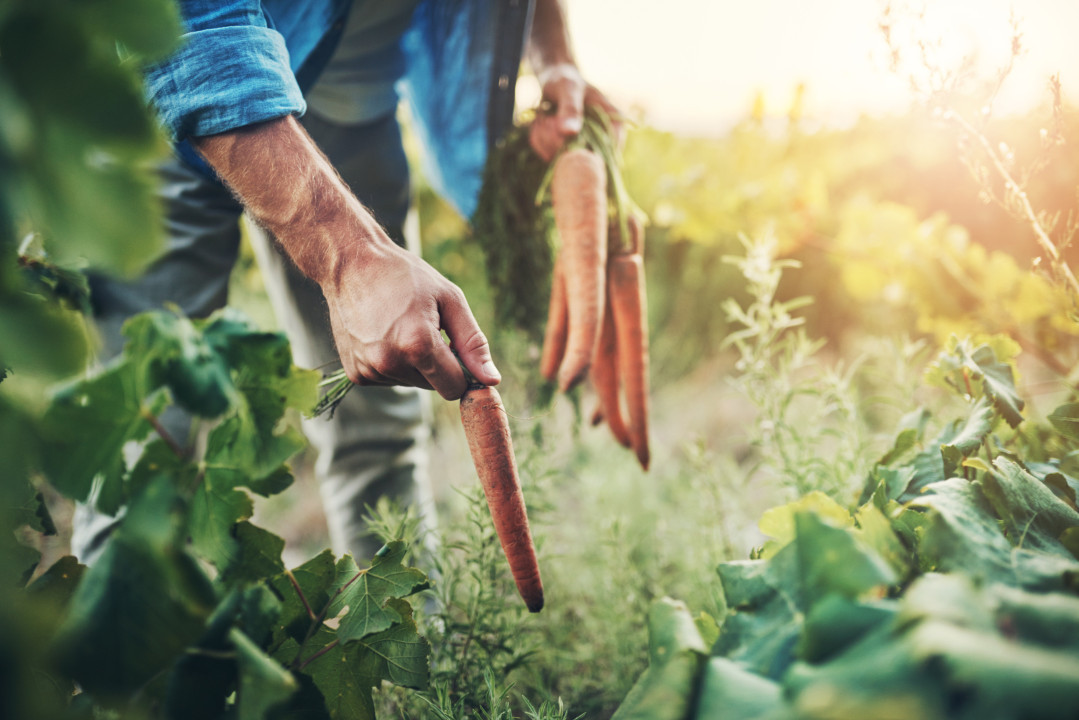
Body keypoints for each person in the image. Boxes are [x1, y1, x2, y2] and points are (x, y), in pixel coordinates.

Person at [72, 0, 620, 563]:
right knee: (144, 436)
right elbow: (187, 27)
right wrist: (352, 259)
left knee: (380, 433)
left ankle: (404, 621)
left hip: (356, 114)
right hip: (173, 94)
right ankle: (121, 616)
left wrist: (555, 57)